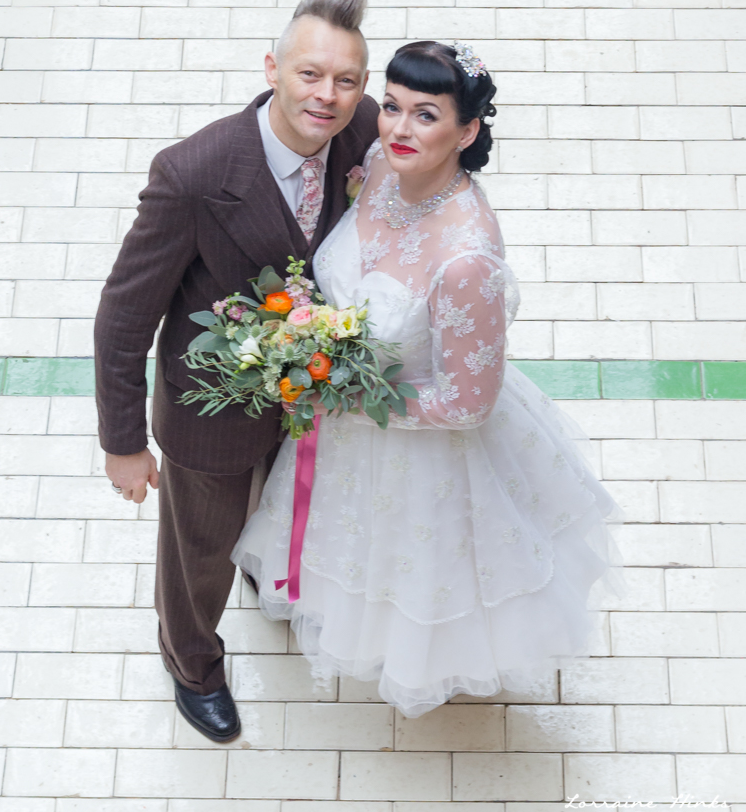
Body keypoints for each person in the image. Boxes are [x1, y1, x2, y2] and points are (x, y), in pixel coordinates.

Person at [232, 40, 624, 718]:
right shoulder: (380, 165)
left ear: (467, 131)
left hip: (416, 439)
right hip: (341, 410)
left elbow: (467, 404)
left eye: (425, 116)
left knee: (416, 579)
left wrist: (345, 396)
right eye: (391, 107)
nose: (397, 129)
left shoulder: (467, 257)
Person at [94, 0, 379, 742]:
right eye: (310, 74)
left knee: (287, 506)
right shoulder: (193, 174)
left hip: (311, 399)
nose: (328, 96)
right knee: (199, 554)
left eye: (347, 80)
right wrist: (123, 443)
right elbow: (123, 314)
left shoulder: (364, 135)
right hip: (210, 415)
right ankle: (191, 660)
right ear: (272, 69)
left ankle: (267, 567)